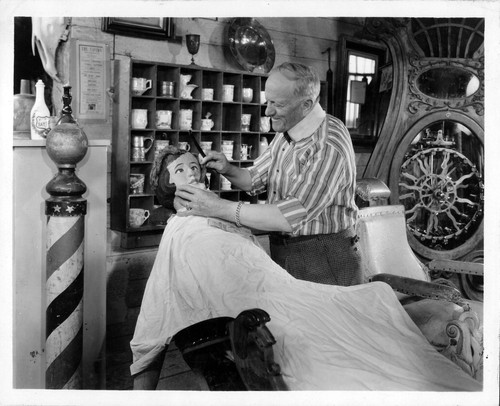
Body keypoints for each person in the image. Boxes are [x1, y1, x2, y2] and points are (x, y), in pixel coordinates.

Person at [130, 147, 481, 391]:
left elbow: (267, 241)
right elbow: (186, 294)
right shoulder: (182, 232)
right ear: (166, 187)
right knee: (325, 344)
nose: (193, 172)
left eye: (195, 166)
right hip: (246, 308)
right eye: (181, 170)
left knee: (367, 306)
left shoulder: (220, 215)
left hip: (283, 289)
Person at [175, 62, 361, 286]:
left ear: (306, 104)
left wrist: (217, 207)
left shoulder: (328, 144)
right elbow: (254, 179)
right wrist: (228, 169)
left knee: (327, 320)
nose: (267, 111)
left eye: (277, 104)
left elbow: (289, 216)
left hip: (324, 256)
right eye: (268, 101)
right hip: (286, 251)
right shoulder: (289, 130)